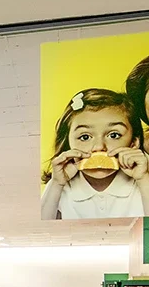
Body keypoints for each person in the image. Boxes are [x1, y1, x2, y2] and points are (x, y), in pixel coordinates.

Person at [39, 89, 149, 220]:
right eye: (85, 137)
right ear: (69, 143)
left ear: (133, 143)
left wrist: (143, 179)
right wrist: (56, 183)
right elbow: (40, 231)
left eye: (114, 135)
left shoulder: (142, 176)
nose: (99, 147)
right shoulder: (61, 182)